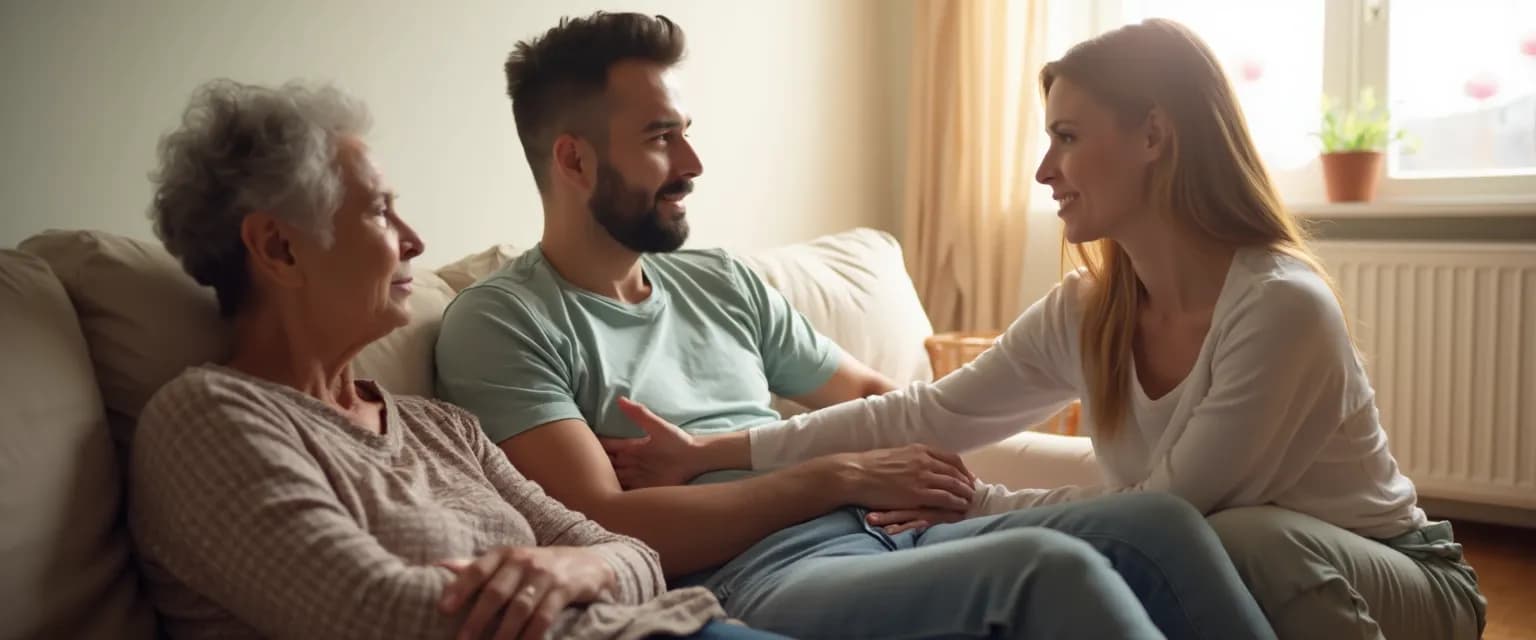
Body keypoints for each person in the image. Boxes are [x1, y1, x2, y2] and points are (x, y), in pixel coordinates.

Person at [603, 18, 1489, 640]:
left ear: (1154, 135)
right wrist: (714, 452)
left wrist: (978, 503)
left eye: (1066, 137)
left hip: (1399, 580)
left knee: (1240, 534)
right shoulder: (1090, 309)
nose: (1042, 170)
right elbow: (925, 413)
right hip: (1241, 573)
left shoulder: (1280, 306)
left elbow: (1166, 512)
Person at [436, 11, 1276, 639]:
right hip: (755, 576)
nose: (693, 163)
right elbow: (608, 524)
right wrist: (837, 476)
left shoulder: (720, 281)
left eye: (686, 133)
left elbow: (877, 397)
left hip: (887, 531)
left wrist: (920, 483)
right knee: (1045, 572)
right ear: (574, 159)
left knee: (1158, 525)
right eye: (662, 138)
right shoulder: (504, 321)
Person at [129, 78, 780, 640]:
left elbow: (636, 558)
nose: (415, 241)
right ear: (279, 247)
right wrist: (572, 576)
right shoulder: (208, 421)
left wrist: (577, 566)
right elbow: (382, 614)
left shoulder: (442, 427)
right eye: (381, 212)